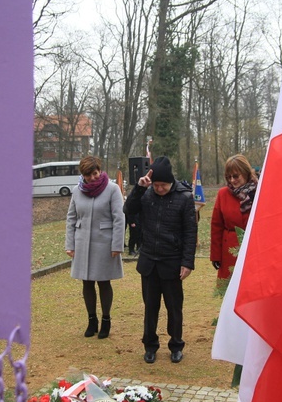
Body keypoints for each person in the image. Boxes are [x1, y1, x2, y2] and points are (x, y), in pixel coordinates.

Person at [124, 156, 197, 364]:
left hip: (172, 262)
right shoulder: (146, 195)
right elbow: (128, 210)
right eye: (156, 185)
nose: (159, 189)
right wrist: (139, 188)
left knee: (174, 308)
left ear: (170, 182)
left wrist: (187, 262)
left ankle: (176, 344)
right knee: (150, 307)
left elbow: (190, 232)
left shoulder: (184, 197)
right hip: (149, 262)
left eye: (163, 185)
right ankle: (150, 345)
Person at [65, 156, 125, 339]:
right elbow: (71, 218)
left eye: (95, 173)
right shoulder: (77, 191)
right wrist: (70, 244)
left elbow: (119, 218)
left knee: (104, 282)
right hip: (82, 242)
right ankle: (92, 320)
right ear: (82, 175)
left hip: (105, 244)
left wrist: (117, 244)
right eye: (87, 174)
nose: (92, 177)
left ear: (100, 170)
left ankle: (106, 320)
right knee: (87, 282)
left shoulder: (112, 189)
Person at [210, 155, 258, 281]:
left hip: (254, 250)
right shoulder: (223, 194)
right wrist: (216, 255)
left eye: (235, 176)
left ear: (245, 173)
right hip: (229, 251)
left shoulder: (259, 193)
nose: (232, 180)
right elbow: (216, 226)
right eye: (228, 177)